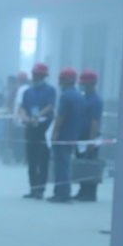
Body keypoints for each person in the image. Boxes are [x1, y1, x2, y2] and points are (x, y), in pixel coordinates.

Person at [18, 62, 56, 199]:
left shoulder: (50, 90)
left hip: (44, 128)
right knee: (31, 160)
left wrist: (38, 116)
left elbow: (50, 106)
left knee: (42, 160)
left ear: (43, 76)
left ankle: (41, 189)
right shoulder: (28, 92)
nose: (35, 77)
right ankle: (33, 188)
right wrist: (24, 117)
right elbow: (23, 107)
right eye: (34, 75)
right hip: (31, 127)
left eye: (38, 75)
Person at [48, 67, 83, 203]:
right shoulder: (78, 96)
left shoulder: (65, 96)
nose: (59, 83)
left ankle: (62, 194)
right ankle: (60, 192)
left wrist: (54, 132)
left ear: (67, 80)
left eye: (61, 80)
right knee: (64, 165)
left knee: (61, 167)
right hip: (72, 135)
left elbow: (61, 116)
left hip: (62, 136)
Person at [75, 68, 104, 202]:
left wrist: (91, 142)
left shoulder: (96, 100)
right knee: (82, 164)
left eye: (84, 83)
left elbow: (94, 122)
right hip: (81, 136)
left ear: (92, 83)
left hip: (90, 136)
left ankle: (90, 193)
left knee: (90, 165)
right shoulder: (83, 97)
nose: (82, 85)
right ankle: (82, 191)